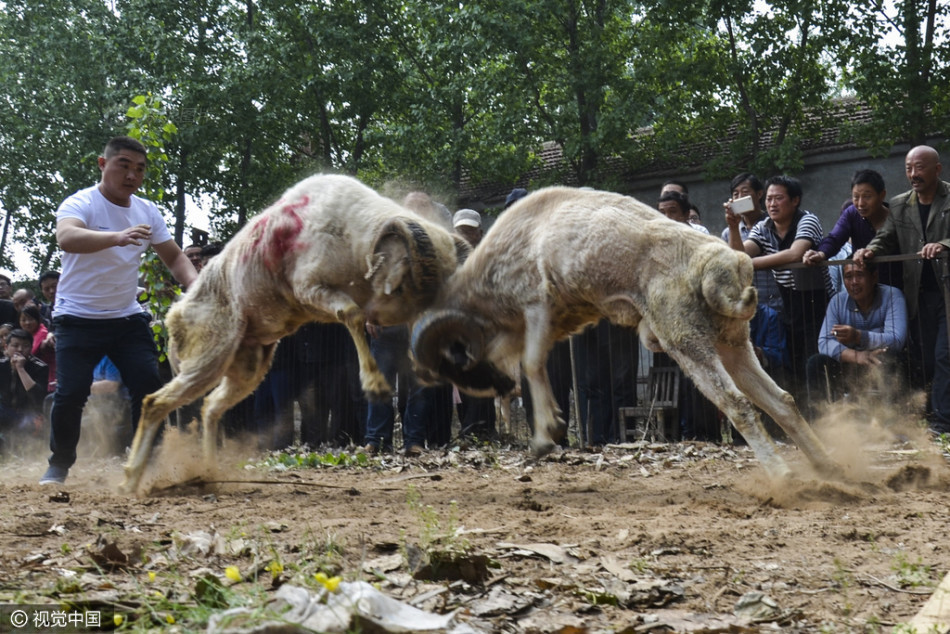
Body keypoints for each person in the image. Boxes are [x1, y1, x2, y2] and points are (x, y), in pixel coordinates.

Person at [40, 135, 198, 485]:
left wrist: (196, 286)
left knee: (148, 386)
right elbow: (66, 238)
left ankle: (148, 461)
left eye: (139, 169)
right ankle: (59, 465)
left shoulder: (146, 211)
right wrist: (116, 236)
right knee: (71, 394)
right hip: (76, 317)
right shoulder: (81, 203)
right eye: (123, 165)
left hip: (126, 319)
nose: (132, 175)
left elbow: (173, 257)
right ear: (103, 164)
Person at [854, 145, 950, 435]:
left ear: (937, 169)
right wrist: (869, 251)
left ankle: (942, 422)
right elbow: (885, 238)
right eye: (909, 168)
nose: (913, 174)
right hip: (918, 294)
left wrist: (943, 244)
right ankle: (933, 414)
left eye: (920, 167)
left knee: (945, 355)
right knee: (926, 358)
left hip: (947, 292)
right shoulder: (899, 204)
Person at [727, 175, 833, 401]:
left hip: (818, 304)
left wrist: (750, 265)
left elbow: (795, 253)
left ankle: (823, 422)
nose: (772, 204)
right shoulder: (763, 227)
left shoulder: (807, 220)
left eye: (779, 198)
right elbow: (739, 256)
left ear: (795, 200)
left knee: (813, 364)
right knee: (792, 365)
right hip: (788, 304)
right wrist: (733, 227)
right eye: (769, 199)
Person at [805, 260, 907, 409]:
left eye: (859, 275)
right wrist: (855, 356)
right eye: (848, 276)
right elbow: (824, 341)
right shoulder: (837, 301)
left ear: (874, 277)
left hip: (879, 361)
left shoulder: (892, 295)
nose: (853, 282)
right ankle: (820, 425)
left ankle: (890, 424)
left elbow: (897, 339)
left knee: (892, 358)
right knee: (815, 363)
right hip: (850, 363)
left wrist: (859, 336)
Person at [803, 169, 900, 288]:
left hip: (899, 286)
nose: (860, 203)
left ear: (882, 195)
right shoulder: (852, 214)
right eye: (856, 197)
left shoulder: (896, 216)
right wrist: (820, 254)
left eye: (867, 196)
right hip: (866, 290)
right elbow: (835, 238)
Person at [0, 329, 49, 452]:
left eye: (25, 346)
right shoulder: (1, 365)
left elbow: (38, 397)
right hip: (6, 410)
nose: (20, 350)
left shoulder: (40, 367)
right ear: (6, 346)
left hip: (29, 413)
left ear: (31, 347)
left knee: (30, 426)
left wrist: (21, 369)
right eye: (15, 346)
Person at [19, 305, 55, 392]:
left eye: (31, 319)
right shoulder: (25, 335)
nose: (27, 323)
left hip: (49, 377)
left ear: (38, 319)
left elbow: (31, 352)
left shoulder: (42, 332)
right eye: (23, 320)